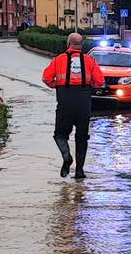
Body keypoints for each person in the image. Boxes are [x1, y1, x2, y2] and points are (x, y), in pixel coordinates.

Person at [42, 32, 105, 179]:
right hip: (84, 102)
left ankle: (66, 156)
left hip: (65, 101)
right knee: (82, 137)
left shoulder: (58, 60)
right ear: (81, 45)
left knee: (59, 134)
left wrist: (56, 85)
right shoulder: (90, 61)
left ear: (68, 43)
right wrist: (91, 86)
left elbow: (46, 78)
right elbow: (99, 81)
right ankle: (79, 171)